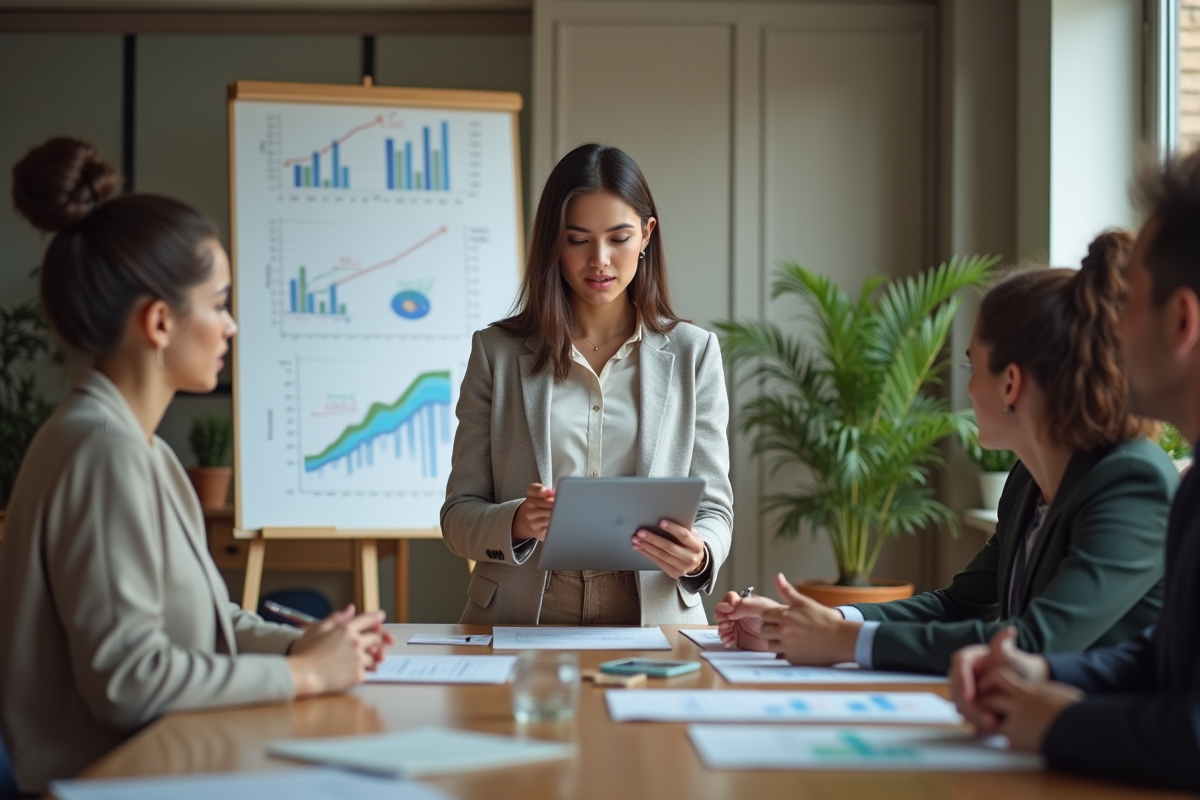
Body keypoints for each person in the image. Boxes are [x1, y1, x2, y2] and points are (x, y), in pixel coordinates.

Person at [0, 138, 393, 794]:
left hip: (166, 762)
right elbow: (130, 681)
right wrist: (306, 677)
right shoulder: (103, 451)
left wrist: (303, 647)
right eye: (218, 303)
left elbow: (214, 625)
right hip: (121, 780)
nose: (232, 326)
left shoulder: (140, 447)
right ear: (159, 322)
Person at [715, 232, 1177, 674]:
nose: (968, 388)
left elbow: (1038, 642)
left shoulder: (1132, 480)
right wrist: (810, 627)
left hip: (1100, 747)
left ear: (1011, 383)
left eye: (972, 366)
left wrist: (842, 643)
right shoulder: (1026, 482)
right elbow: (959, 605)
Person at [949, 152, 1200, 792]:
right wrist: (1048, 678)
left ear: (1182, 321)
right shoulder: (1192, 488)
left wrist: (1057, 721)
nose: (1110, 328)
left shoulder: (1141, 479)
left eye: (1131, 303)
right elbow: (1165, 665)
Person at [440, 143, 733, 625]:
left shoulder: (692, 353)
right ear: (554, 242)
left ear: (646, 235)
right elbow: (458, 517)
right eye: (578, 240)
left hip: (652, 609)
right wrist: (516, 521)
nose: (600, 260)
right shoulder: (497, 353)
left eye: (619, 238)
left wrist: (700, 556)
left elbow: (715, 511)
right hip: (522, 606)